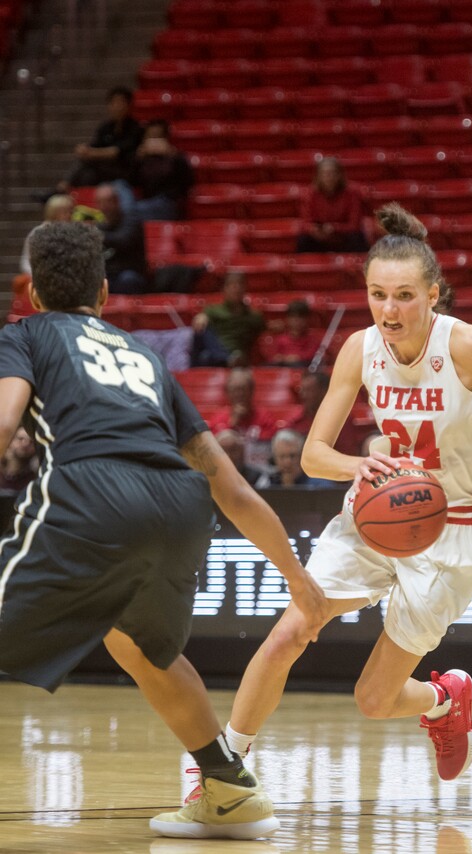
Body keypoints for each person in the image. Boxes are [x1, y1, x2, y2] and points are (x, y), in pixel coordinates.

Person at [224, 202, 472, 789]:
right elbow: (315, 454)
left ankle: (444, 699)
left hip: (454, 530)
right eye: (377, 295)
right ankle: (223, 765)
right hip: (378, 512)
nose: (389, 311)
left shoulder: (468, 346)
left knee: (372, 699)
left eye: (404, 296)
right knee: (294, 625)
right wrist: (357, 463)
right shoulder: (359, 349)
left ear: (433, 294)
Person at [0, 221, 327, 840]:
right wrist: (299, 581)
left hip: (93, 491)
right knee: (141, 646)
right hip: (180, 507)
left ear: (34, 296)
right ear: (102, 291)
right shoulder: (144, 357)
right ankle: (228, 787)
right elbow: (230, 486)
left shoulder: (25, 334)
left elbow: (5, 419)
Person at [64, 86, 144, 189]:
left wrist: (91, 153)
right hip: (103, 169)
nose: (117, 107)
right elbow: (94, 145)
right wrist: (84, 150)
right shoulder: (105, 127)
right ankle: (66, 188)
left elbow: (116, 152)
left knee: (89, 168)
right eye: (113, 103)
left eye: (120, 102)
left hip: (125, 170)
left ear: (129, 105)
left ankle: (63, 187)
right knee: (86, 172)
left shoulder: (136, 128)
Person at [208, 367, 280, 471]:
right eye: (234, 390)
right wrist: (232, 424)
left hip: (260, 473)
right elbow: (213, 451)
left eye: (242, 389)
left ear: (251, 391)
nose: (239, 394)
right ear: (227, 392)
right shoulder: (218, 419)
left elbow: (271, 447)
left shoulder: (265, 417)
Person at [283, 369, 366, 457]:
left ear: (324, 391)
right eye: (302, 390)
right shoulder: (297, 422)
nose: (303, 395)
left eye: (309, 390)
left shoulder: (341, 420)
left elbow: (348, 454)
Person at [191, 271, 266, 367]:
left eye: (240, 284)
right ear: (224, 289)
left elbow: (265, 331)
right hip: (215, 353)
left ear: (245, 289)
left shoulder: (254, 316)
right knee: (202, 334)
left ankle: (228, 359)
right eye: (232, 285)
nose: (236, 288)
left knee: (206, 356)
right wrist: (201, 317)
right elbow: (199, 324)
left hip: (239, 356)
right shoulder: (212, 310)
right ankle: (226, 358)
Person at [296, 156, 369, 254]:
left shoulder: (352, 193)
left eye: (333, 173)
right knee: (303, 240)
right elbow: (305, 223)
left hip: (343, 236)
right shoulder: (309, 194)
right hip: (319, 237)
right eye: (325, 174)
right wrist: (314, 230)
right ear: (318, 176)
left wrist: (334, 228)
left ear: (340, 175)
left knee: (357, 237)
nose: (329, 177)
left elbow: (354, 225)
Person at [128, 118, 195, 222]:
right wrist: (137, 160)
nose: (154, 141)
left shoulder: (176, 157)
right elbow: (131, 182)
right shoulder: (142, 159)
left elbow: (188, 182)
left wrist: (174, 157)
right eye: (150, 137)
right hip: (147, 201)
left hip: (168, 203)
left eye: (158, 137)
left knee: (128, 213)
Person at [94, 182, 149, 295]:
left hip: (129, 273)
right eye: (101, 202)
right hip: (108, 275)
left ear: (117, 201)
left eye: (108, 202)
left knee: (128, 280)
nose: (104, 207)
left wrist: (96, 234)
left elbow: (124, 240)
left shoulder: (131, 222)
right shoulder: (100, 226)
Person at [255, 429, 334, 489]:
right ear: (274, 459)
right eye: (282, 457)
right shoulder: (266, 482)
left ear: (301, 456)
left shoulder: (320, 484)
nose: (287, 462)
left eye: (292, 456)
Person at [264, 299, 323, 367]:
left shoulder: (313, 340)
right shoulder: (280, 339)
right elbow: (274, 357)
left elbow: (314, 357)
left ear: (307, 319)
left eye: (300, 317)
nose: (296, 320)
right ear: (287, 318)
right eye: (293, 316)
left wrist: (297, 357)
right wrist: (282, 358)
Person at [0, 427, 38, 494]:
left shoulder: (35, 480)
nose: (25, 444)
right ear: (11, 441)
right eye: (20, 439)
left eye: (31, 442)